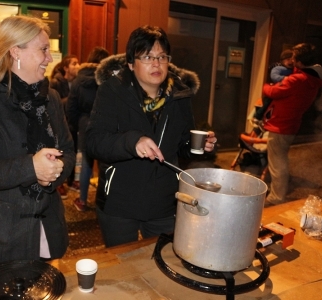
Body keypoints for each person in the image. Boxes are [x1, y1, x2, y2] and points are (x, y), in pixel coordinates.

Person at [0, 15, 76, 273]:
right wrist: (31, 168)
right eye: (43, 49)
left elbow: (68, 150)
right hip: (4, 233)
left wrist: (53, 175)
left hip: (47, 224)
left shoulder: (51, 97)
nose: (49, 58)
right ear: (15, 51)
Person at [86, 25, 217, 247]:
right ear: (130, 63)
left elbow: (182, 143)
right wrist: (132, 141)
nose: (156, 63)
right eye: (147, 57)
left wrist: (200, 145)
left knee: (162, 262)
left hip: (164, 202)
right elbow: (94, 142)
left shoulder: (180, 94)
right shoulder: (113, 91)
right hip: (120, 201)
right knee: (122, 266)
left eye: (162, 56)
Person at [262, 43, 322, 206]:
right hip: (290, 124)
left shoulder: (297, 80)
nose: (291, 60)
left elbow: (273, 92)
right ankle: (277, 191)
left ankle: (276, 197)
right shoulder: (310, 79)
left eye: (293, 57)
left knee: (278, 163)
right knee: (279, 159)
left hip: (281, 125)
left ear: (300, 61)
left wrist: (267, 86)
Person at [67, 46, 110, 211]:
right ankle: (103, 201)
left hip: (85, 123)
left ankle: (83, 201)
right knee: (104, 162)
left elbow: (71, 106)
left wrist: (76, 123)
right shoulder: (107, 79)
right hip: (104, 123)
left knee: (86, 161)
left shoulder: (79, 79)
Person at [50, 54, 81, 196]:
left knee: (72, 150)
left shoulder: (78, 83)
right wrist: (70, 100)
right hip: (60, 123)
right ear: (66, 68)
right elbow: (52, 105)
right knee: (59, 151)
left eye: (78, 63)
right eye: (73, 63)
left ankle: (71, 180)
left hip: (73, 122)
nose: (77, 66)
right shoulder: (56, 82)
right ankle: (59, 183)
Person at [252, 49, 294, 123]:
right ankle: (257, 116)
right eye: (288, 59)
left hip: (284, 90)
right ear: (283, 60)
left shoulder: (293, 70)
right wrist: (285, 78)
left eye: (292, 60)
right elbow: (274, 76)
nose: (290, 62)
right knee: (267, 102)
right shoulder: (278, 68)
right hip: (276, 88)